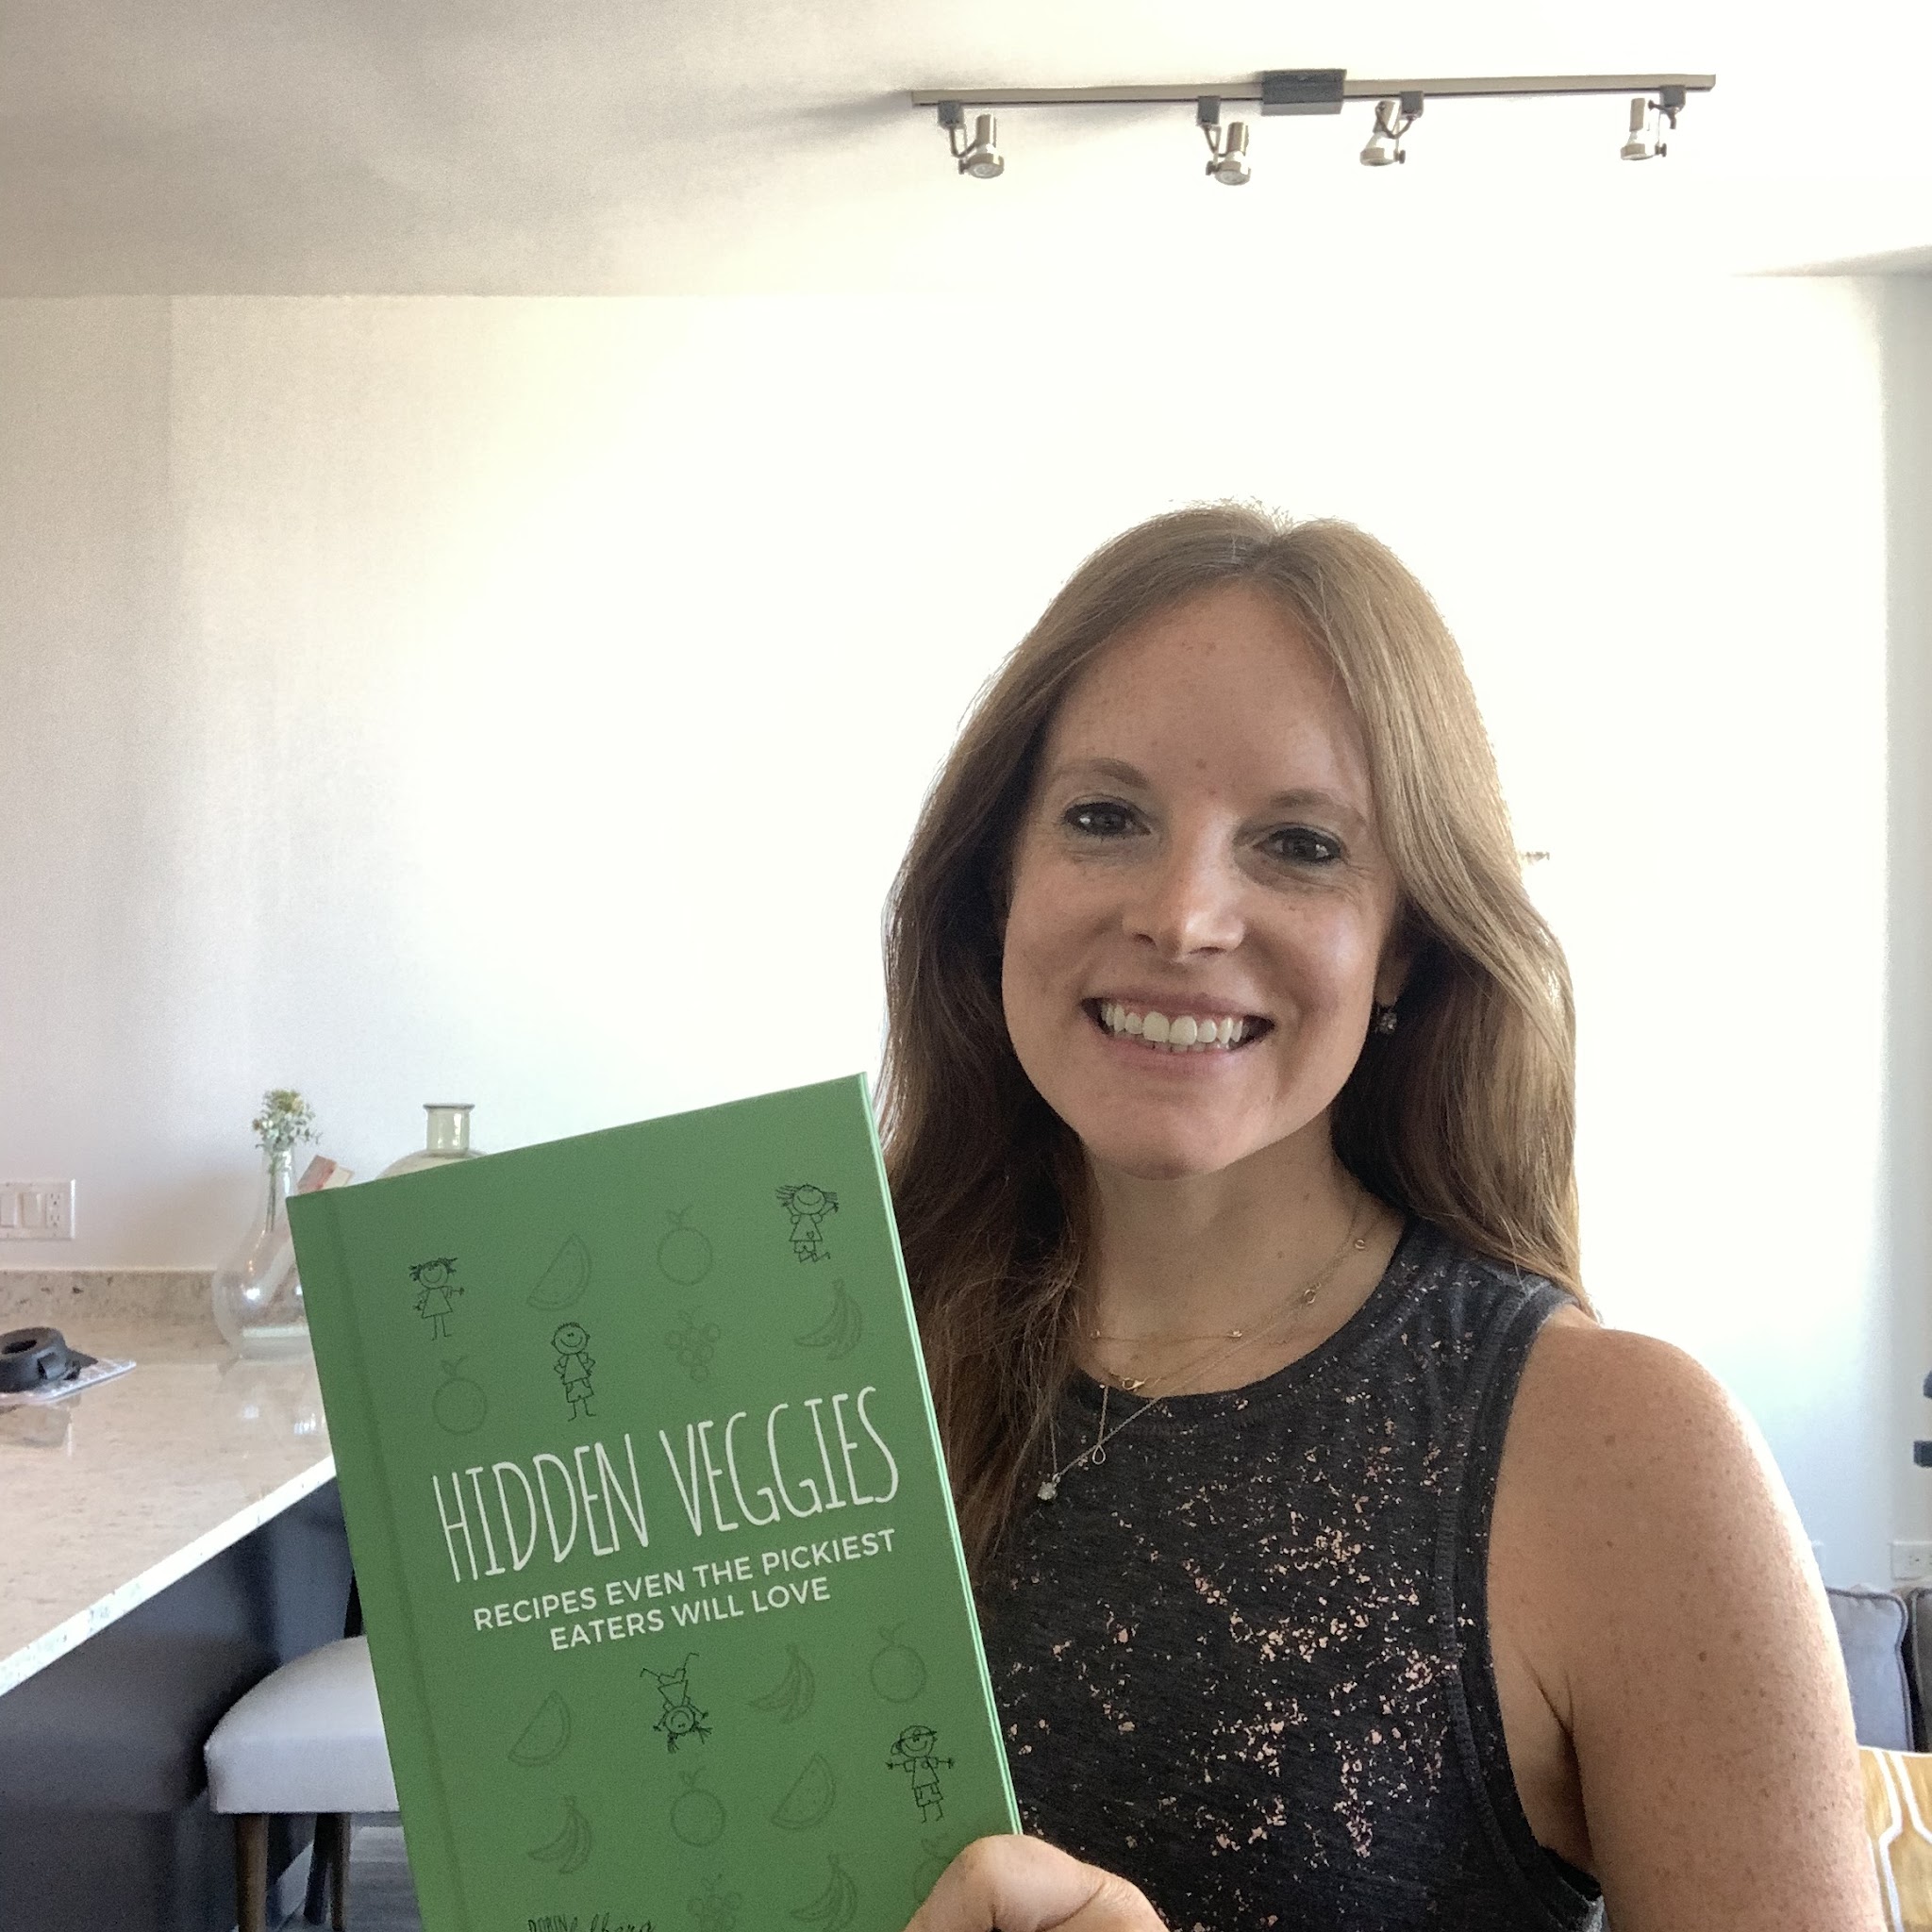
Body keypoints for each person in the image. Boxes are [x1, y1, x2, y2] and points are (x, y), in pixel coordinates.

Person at [878, 505, 1878, 1931]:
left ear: (1404, 939)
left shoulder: (1628, 1456)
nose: (1185, 916)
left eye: (1298, 845)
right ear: (997, 884)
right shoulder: (813, 1379)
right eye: (1105, 818)